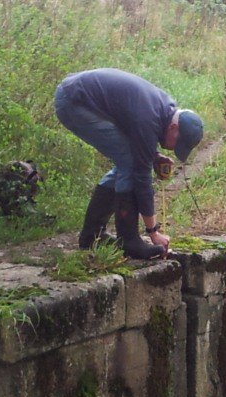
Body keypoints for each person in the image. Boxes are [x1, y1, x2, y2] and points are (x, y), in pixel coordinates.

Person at [54, 68, 204, 259]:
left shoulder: (163, 110)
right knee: (129, 162)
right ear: (173, 127)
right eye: (178, 143)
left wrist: (153, 155)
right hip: (73, 101)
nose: (173, 149)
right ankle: (129, 240)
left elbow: (137, 133)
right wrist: (153, 232)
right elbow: (142, 178)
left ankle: (91, 236)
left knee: (128, 161)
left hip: (77, 93)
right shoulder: (149, 117)